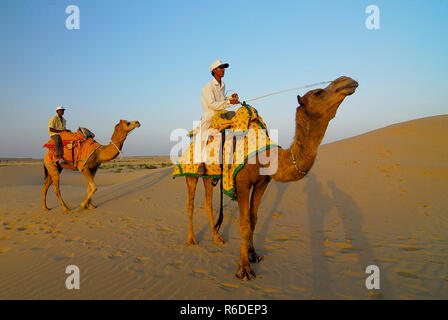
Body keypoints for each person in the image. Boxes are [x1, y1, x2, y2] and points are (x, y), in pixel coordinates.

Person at [196, 60, 240, 175]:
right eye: (220, 68)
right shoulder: (207, 87)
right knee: (203, 134)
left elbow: (222, 99)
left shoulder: (223, 85)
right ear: (214, 70)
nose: (223, 70)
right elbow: (211, 104)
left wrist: (230, 98)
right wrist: (228, 102)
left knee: (238, 123)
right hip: (210, 114)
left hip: (221, 113)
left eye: (223, 68)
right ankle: (201, 162)